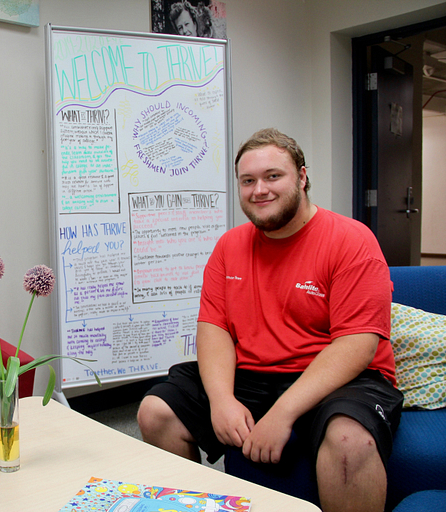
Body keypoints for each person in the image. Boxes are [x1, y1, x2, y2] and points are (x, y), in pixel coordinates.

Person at [137, 128, 403, 512]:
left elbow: (356, 345)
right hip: (254, 373)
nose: (259, 189)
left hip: (338, 377)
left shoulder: (352, 240)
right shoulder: (230, 245)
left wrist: (283, 414)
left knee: (349, 441)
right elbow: (215, 329)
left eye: (273, 176)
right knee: (155, 411)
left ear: (303, 176)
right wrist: (222, 399)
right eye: (248, 181)